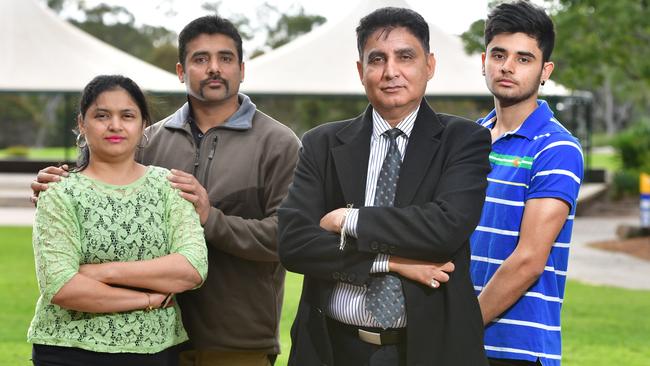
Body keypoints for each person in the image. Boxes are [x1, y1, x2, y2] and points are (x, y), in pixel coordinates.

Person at [31, 15, 300, 366]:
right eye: (200, 59)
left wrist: (210, 218)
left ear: (242, 69)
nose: (214, 68)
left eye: (225, 58)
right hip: (154, 338)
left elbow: (288, 238)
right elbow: (92, 181)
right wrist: (55, 182)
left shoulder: (278, 143)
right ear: (180, 70)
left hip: (235, 337)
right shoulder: (146, 138)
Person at [278, 7, 491, 366]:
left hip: (429, 350)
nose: (391, 71)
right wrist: (388, 261)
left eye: (405, 57)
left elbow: (444, 228)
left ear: (430, 65)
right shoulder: (322, 144)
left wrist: (350, 220)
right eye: (377, 59)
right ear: (361, 71)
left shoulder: (464, 139)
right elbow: (294, 244)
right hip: (332, 348)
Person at [28, 75, 208, 366]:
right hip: (68, 352)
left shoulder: (170, 187)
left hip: (155, 350)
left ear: (142, 125)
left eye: (127, 115)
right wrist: (148, 300)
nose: (115, 125)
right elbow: (61, 287)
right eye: (102, 115)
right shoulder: (59, 191)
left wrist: (102, 273)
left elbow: (192, 268)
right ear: (81, 124)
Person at [469, 2, 584, 366]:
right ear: (483, 60)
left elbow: (530, 260)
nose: (507, 67)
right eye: (498, 54)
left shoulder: (557, 147)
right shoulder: (471, 138)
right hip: (464, 344)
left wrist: (460, 325)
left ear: (544, 70)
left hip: (517, 348)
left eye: (524, 58)